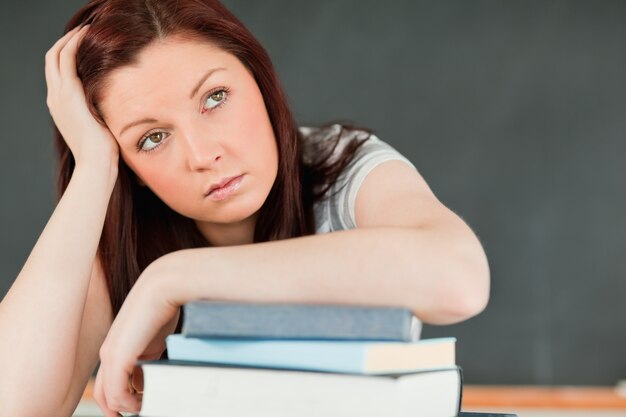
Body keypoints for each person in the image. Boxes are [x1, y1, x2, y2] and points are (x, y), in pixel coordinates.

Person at [0, 0, 490, 415]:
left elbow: (460, 281)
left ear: (258, 77)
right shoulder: (126, 224)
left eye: (214, 98)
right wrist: (92, 169)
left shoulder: (341, 164)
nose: (202, 154)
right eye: (152, 138)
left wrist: (177, 278)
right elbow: (14, 405)